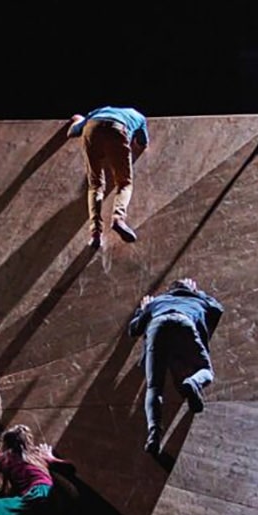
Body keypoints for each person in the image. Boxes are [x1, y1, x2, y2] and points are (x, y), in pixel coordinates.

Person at [128, 278, 224, 453]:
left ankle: (154, 434)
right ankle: (193, 383)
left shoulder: (158, 302)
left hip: (157, 325)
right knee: (206, 371)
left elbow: (133, 329)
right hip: (184, 322)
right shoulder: (197, 299)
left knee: (154, 387)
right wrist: (198, 293)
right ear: (190, 289)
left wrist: (142, 310)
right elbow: (217, 309)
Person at [66, 106, 149, 249]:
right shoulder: (139, 117)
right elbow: (142, 143)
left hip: (92, 127)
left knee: (95, 185)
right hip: (118, 129)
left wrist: (78, 120)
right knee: (124, 183)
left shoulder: (99, 111)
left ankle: (95, 234)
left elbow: (72, 132)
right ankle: (118, 218)